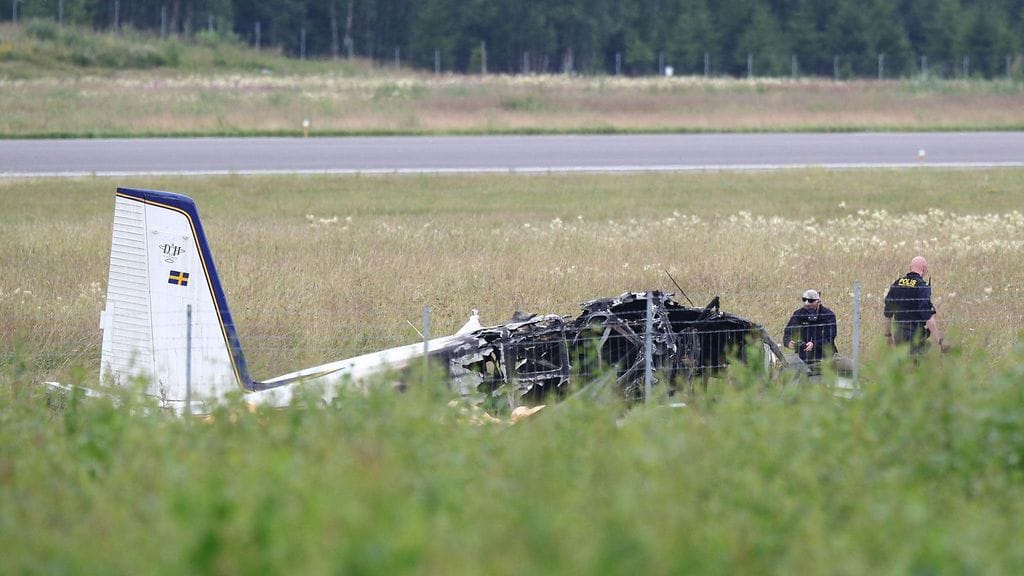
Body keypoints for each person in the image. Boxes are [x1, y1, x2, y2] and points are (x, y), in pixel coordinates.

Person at [884, 256, 947, 355]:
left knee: (902, 365)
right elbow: (927, 316)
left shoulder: (897, 283)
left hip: (898, 334)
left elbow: (887, 313)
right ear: (924, 269)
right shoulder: (921, 286)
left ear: (910, 267)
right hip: (915, 334)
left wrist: (888, 335)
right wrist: (939, 339)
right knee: (919, 365)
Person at [783, 289, 838, 367]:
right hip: (803, 357)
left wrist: (814, 344)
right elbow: (788, 332)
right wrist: (788, 342)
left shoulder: (828, 315)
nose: (807, 303)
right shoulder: (798, 314)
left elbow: (830, 337)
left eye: (811, 301)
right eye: (804, 300)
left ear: (818, 301)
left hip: (825, 356)